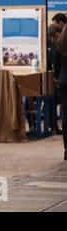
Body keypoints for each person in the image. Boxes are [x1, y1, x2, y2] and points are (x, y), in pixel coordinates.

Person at [53, 25, 67, 161]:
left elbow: (55, 65)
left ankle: (66, 150)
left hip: (63, 81)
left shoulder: (60, 42)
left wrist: (59, 77)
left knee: (65, 115)